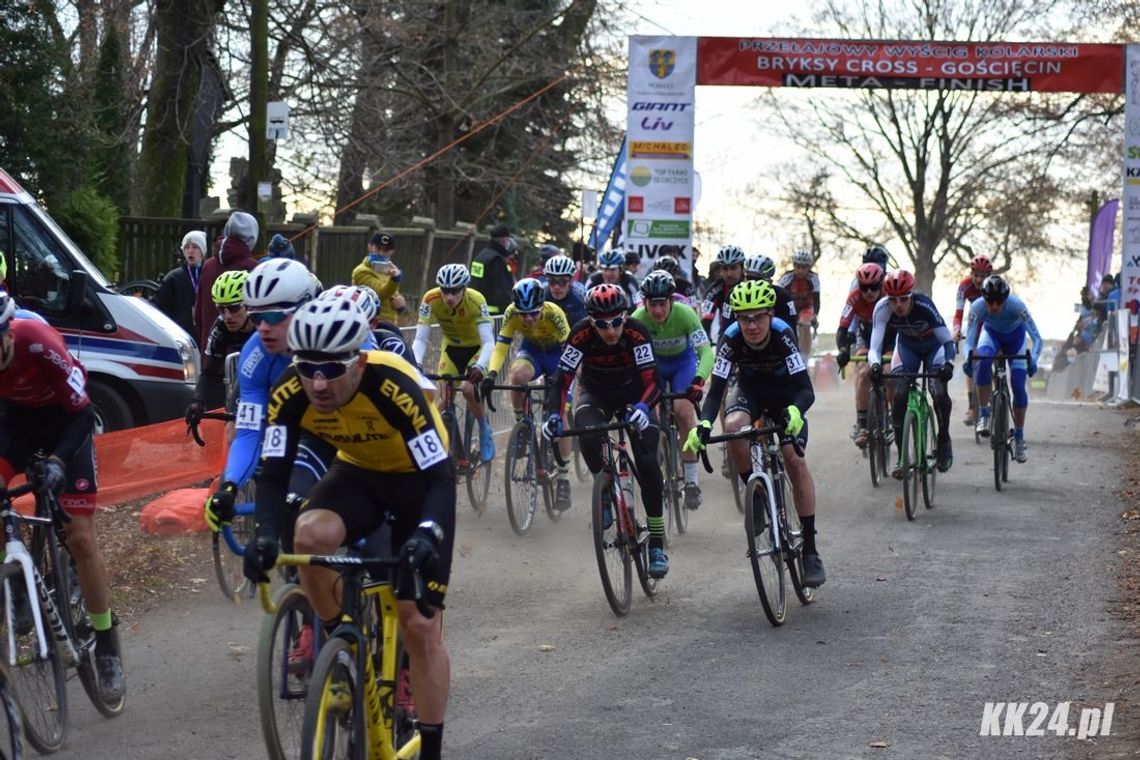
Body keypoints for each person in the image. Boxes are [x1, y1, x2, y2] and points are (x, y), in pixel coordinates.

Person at [242, 296, 455, 760]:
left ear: (358, 362)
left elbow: (440, 477)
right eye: (306, 367)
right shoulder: (290, 389)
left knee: (418, 623)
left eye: (332, 370)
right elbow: (274, 473)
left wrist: (428, 533)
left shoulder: (392, 386)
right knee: (306, 536)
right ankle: (338, 642)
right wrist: (263, 535)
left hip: (419, 482)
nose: (317, 382)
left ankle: (432, 749)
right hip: (357, 474)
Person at [0, 291, 125, 701]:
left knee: (81, 538)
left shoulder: (38, 340)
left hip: (65, 424)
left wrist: (56, 461)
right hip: (13, 428)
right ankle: (17, 581)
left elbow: (84, 413)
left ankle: (106, 642)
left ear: (8, 333)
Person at [682, 279, 825, 588]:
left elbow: (805, 389)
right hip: (752, 392)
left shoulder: (782, 334)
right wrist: (704, 424)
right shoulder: (731, 339)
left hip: (787, 395)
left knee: (794, 460)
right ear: (736, 318)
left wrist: (797, 411)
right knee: (732, 428)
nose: (752, 324)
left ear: (770, 314)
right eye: (744, 318)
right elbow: (715, 391)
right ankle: (755, 491)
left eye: (758, 316)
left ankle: (811, 549)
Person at [203, 259, 333, 557]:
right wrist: (230, 486)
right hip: (304, 436)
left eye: (274, 316)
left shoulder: (339, 339)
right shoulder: (255, 355)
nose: (262, 328)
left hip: (358, 434)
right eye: (257, 316)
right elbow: (249, 431)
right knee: (290, 509)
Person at [543, 283, 669, 577]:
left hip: (635, 395)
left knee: (648, 462)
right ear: (590, 321)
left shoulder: (637, 332)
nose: (610, 330)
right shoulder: (580, 335)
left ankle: (656, 544)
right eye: (602, 324)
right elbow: (561, 379)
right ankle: (605, 490)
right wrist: (552, 415)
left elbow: (655, 381)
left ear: (625, 316)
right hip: (596, 393)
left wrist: (643, 407)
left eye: (616, 322)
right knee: (586, 433)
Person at [481, 279, 572, 507]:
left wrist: (563, 382)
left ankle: (564, 477)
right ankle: (522, 425)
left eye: (533, 313)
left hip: (557, 355)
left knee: (561, 415)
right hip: (531, 351)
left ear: (542, 306)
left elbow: (571, 352)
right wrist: (491, 374)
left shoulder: (555, 313)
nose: (528, 319)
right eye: (524, 314)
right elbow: (501, 346)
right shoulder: (511, 313)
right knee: (517, 376)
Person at [631, 271, 713, 509]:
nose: (656, 311)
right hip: (653, 366)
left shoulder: (685, 314)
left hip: (682, 365)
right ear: (644, 303)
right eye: (651, 305)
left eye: (661, 304)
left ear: (671, 301)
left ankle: (690, 480)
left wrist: (699, 380)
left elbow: (706, 352)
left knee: (684, 412)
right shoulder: (637, 318)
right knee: (650, 415)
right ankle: (655, 461)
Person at [867, 269, 956, 476]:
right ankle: (902, 459)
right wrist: (875, 365)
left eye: (903, 299)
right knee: (899, 395)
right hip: (908, 349)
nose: (898, 305)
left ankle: (943, 438)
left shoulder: (925, 306)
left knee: (938, 391)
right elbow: (875, 348)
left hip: (934, 349)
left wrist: (949, 365)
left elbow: (948, 343)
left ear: (911, 295)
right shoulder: (882, 309)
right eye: (893, 300)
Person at [413, 264, 496, 461]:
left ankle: (484, 429)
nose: (449, 297)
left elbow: (488, 342)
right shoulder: (430, 299)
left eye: (455, 291)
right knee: (443, 400)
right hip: (451, 349)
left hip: (476, 350)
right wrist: (415, 364)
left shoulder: (476, 300)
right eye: (445, 290)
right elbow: (421, 338)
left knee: (468, 390)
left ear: (464, 288)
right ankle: (456, 454)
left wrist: (480, 366)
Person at [963, 275, 1043, 463]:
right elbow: (969, 340)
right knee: (983, 362)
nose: (994, 306)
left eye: (999, 302)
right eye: (990, 301)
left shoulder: (1017, 306)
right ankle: (983, 413)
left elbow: (1037, 338)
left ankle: (1020, 437)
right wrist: (968, 357)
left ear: (1006, 299)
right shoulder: (977, 307)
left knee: (1017, 384)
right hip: (991, 336)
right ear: (984, 299)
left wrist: (1034, 360)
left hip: (1016, 340)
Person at [835, 263, 891, 447]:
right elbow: (843, 328)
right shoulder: (854, 298)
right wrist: (843, 349)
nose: (868, 291)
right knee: (863, 373)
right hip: (866, 338)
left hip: (890, 337)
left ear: (881, 284)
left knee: (889, 372)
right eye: (864, 286)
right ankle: (863, 424)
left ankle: (892, 415)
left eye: (873, 286)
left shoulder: (890, 296)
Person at [187, 270, 254, 419]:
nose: (227, 316)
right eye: (221, 309)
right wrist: (198, 401)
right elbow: (208, 371)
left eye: (234, 308)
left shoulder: (264, 324)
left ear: (249, 305)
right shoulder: (221, 326)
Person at [195, 211, 259, 352]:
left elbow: (198, 315)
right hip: (241, 358)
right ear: (252, 238)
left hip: (210, 354)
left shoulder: (208, 265)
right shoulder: (254, 269)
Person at [952, 255, 992, 425]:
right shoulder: (965, 286)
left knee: (994, 362)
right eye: (976, 274)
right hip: (975, 326)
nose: (979, 279)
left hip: (992, 325)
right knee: (972, 360)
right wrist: (956, 330)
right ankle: (972, 407)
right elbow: (959, 313)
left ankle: (997, 395)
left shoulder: (993, 285)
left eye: (983, 276)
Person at [154, 230, 205, 340]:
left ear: (202, 250)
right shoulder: (173, 278)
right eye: (186, 247)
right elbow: (162, 308)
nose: (190, 251)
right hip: (181, 336)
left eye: (195, 247)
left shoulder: (209, 274)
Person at [352, 231, 408, 324]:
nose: (381, 253)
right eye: (378, 248)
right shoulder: (361, 271)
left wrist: (400, 306)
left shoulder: (388, 269)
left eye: (385, 250)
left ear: (392, 252)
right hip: (370, 323)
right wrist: (395, 279)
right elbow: (381, 293)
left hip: (388, 322)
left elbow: (391, 297)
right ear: (370, 247)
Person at [776, 249, 821, 358]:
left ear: (809, 268)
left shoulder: (813, 278)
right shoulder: (786, 278)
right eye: (798, 267)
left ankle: (804, 357)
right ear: (794, 265)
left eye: (804, 267)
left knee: (805, 323)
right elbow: (777, 296)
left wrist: (815, 316)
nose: (800, 270)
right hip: (789, 307)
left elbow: (816, 300)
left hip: (806, 307)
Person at [700, 245, 746, 342]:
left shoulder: (752, 284)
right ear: (720, 270)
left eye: (733, 268)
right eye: (725, 269)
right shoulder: (715, 289)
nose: (729, 274)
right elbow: (705, 319)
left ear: (742, 269)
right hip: (728, 337)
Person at [469, 224, 517, 316]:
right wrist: (508, 311)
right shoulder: (497, 260)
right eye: (507, 239)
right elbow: (501, 290)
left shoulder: (481, 256)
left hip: (476, 309)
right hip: (493, 314)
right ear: (503, 240)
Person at [743, 254, 797, 326]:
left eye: (759, 280)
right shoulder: (733, 295)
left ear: (770, 282)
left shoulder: (784, 297)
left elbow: (791, 331)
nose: (754, 284)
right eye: (749, 279)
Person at [542, 255, 587, 324]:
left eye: (562, 281)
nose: (556, 287)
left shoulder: (579, 298)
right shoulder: (541, 295)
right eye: (551, 281)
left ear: (571, 281)